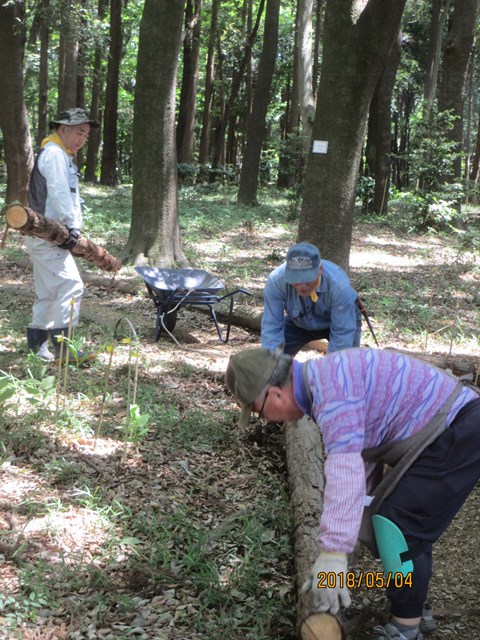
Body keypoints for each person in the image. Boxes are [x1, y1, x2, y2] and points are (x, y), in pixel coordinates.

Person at [225, 346, 480, 640]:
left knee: (399, 526)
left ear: (275, 394)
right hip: (449, 429)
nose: (267, 420)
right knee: (396, 518)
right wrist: (341, 553)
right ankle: (413, 604)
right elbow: (362, 462)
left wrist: (333, 552)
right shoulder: (326, 380)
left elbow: (345, 471)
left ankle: (405, 629)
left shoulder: (332, 394)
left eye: (258, 412)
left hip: (459, 429)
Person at [25, 107, 99, 362]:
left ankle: (36, 348)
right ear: (62, 129)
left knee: (49, 291)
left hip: (46, 234)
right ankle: (63, 349)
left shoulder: (60, 154)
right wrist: (71, 229)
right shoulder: (55, 153)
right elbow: (58, 192)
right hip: (48, 234)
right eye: (80, 132)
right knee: (71, 286)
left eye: (86, 135)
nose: (82, 139)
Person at [261, 242, 362, 355]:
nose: (302, 286)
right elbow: (271, 328)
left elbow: (342, 335)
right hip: (299, 322)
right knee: (272, 361)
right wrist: (271, 362)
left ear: (320, 270)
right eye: (295, 279)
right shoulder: (276, 281)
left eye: (307, 278)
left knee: (345, 364)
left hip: (341, 321)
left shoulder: (338, 285)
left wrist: (334, 367)